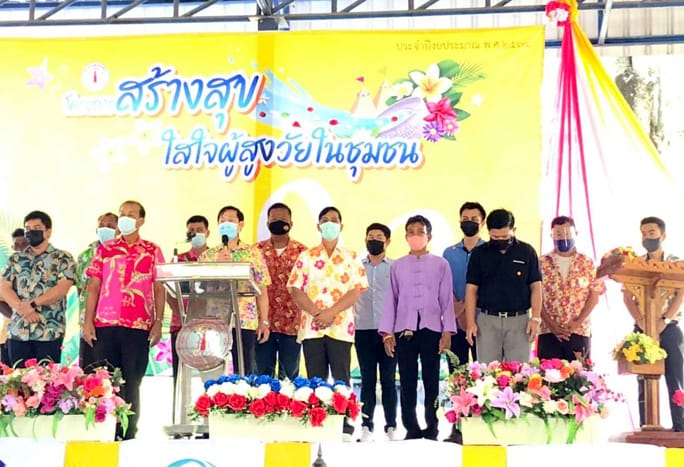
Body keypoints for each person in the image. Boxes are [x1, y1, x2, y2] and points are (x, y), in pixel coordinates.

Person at [83, 200, 166, 440]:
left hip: (138, 324)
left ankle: (129, 432)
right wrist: (88, 322)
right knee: (105, 381)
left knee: (132, 380)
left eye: (131, 214)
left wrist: (158, 322)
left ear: (141, 221)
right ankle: (106, 429)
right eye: (122, 214)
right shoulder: (105, 248)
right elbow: (94, 286)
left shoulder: (152, 250)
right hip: (105, 324)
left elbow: (159, 287)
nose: (126, 218)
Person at [287, 206, 368, 441]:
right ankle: (318, 422)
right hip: (312, 326)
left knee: (341, 377)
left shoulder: (351, 256)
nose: (329, 223)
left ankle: (344, 423)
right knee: (316, 378)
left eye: (334, 220)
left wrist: (331, 312)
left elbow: (356, 290)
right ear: (318, 226)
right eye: (325, 220)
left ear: (341, 226)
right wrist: (316, 312)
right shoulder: (306, 256)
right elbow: (295, 288)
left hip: (340, 326)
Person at [379, 215, 455, 441]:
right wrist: (387, 334)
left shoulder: (441, 264)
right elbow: (391, 300)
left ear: (429, 236)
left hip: (432, 329)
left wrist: (447, 331)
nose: (415, 236)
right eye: (410, 232)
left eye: (420, 232)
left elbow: (446, 300)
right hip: (404, 329)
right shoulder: (398, 266)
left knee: (432, 379)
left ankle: (432, 427)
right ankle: (410, 427)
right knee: (407, 379)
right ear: (405, 237)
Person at [623, 216, 684, 432]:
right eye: (643, 233)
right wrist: (641, 321)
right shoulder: (635, 263)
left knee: (675, 378)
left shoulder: (676, 262)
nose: (647, 237)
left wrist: (664, 320)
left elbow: (680, 294)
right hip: (642, 329)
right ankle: (646, 425)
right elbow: (627, 297)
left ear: (662, 235)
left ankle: (680, 426)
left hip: (669, 327)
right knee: (644, 376)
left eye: (651, 233)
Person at [464, 208, 542, 363]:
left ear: (514, 230)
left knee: (519, 371)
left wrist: (536, 318)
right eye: (495, 237)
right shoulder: (479, 254)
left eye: (505, 236)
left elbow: (536, 286)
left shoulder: (527, 252)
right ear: (488, 232)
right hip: (487, 320)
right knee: (487, 371)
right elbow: (471, 290)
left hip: (519, 321)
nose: (500, 240)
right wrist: (470, 322)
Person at [200, 205, 270, 375]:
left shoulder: (253, 253)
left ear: (241, 225)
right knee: (214, 369)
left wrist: (264, 321)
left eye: (231, 221)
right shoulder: (208, 255)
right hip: (215, 319)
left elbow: (262, 289)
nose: (226, 224)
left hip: (244, 319)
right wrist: (216, 265)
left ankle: (242, 390)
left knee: (244, 367)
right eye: (222, 221)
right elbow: (200, 288)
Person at [0, 211, 76, 366]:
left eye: (36, 228)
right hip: (19, 331)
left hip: (49, 332)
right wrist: (22, 308)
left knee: (47, 379)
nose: (30, 232)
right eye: (27, 228)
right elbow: (4, 287)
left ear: (48, 232)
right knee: (18, 379)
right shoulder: (16, 259)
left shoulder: (63, 258)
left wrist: (32, 304)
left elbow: (61, 289)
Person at [354, 222, 397, 442]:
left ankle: (391, 426)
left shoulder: (395, 267)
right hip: (362, 329)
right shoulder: (356, 267)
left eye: (379, 237)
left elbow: (400, 299)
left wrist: (393, 331)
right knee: (367, 379)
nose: (374, 240)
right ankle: (366, 425)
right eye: (370, 236)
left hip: (388, 333)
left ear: (387, 241)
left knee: (388, 380)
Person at [538, 216, 605, 360]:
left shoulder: (587, 262)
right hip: (548, 331)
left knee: (578, 373)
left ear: (576, 234)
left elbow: (594, 297)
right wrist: (551, 324)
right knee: (547, 373)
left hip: (579, 331)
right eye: (558, 234)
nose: (564, 237)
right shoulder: (541, 262)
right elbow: (535, 296)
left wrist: (576, 323)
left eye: (568, 233)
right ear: (551, 235)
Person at [255, 202, 307, 380]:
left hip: (292, 323)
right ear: (267, 223)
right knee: (262, 377)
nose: (278, 222)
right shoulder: (255, 251)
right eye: (274, 219)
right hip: (263, 323)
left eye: (283, 219)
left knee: (289, 378)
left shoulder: (303, 252)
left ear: (291, 223)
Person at [167, 215, 210, 388]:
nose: (195, 233)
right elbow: (168, 290)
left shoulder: (215, 259)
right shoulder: (178, 260)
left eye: (199, 230)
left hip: (210, 326)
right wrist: (180, 313)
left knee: (209, 377)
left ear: (207, 233)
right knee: (180, 378)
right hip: (181, 324)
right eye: (191, 230)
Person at [443, 201, 486, 368]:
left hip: (483, 322)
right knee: (457, 372)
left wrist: (469, 313)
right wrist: (461, 312)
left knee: (484, 373)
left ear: (482, 222)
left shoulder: (489, 251)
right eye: (465, 219)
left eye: (474, 219)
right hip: (455, 322)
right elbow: (445, 286)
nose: (469, 222)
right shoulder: (449, 253)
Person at [75, 212, 118, 369]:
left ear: (119, 229)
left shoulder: (123, 254)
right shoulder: (85, 256)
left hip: (112, 321)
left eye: (110, 226)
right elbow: (81, 289)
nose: (105, 229)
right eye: (101, 226)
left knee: (112, 369)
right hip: (88, 322)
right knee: (89, 370)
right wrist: (87, 317)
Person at [1, 229, 31, 365]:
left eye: (24, 244)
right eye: (16, 245)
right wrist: (19, 316)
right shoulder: (7, 272)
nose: (20, 249)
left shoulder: (43, 270)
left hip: (40, 335)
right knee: (12, 374)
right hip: (10, 335)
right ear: (12, 247)